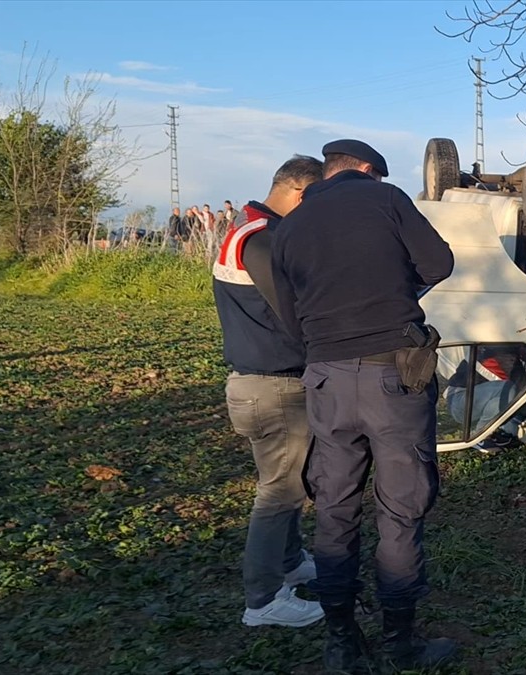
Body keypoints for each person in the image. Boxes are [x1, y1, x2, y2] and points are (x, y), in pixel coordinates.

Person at [272, 139, 456, 673]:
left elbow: (289, 316)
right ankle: (400, 642)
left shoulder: (290, 228)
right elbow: (439, 263)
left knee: (334, 508)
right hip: (391, 375)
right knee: (399, 510)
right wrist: (399, 291)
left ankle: (341, 643)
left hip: (325, 379)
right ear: (368, 171)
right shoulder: (387, 199)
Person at [212, 155, 325, 628]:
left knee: (289, 482)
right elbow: (296, 313)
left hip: (263, 382)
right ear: (300, 193)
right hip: (272, 385)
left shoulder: (249, 226)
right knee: (278, 491)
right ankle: (263, 601)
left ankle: (288, 562)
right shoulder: (261, 239)